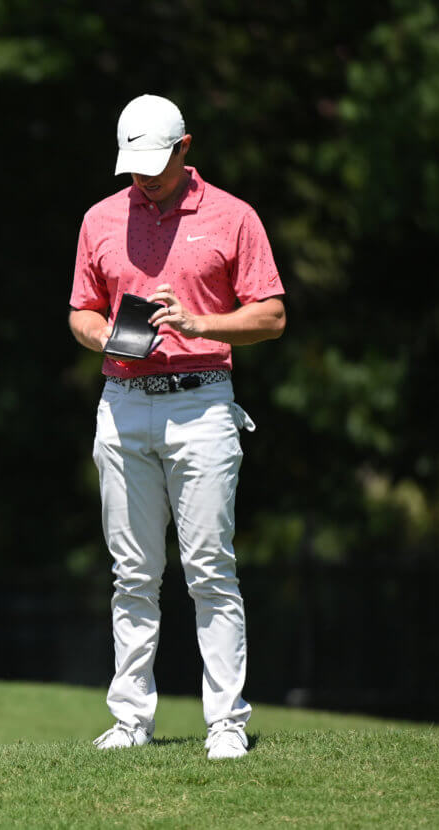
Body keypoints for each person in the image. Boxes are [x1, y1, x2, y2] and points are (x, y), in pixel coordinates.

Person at [68, 95, 286, 759]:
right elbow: (80, 310)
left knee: (210, 570)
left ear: (186, 147)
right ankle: (132, 720)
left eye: (156, 165)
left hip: (203, 402)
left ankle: (226, 722)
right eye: (133, 167)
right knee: (132, 573)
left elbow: (271, 315)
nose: (144, 179)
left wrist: (200, 324)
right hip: (124, 401)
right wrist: (104, 337)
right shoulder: (100, 219)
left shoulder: (233, 217)